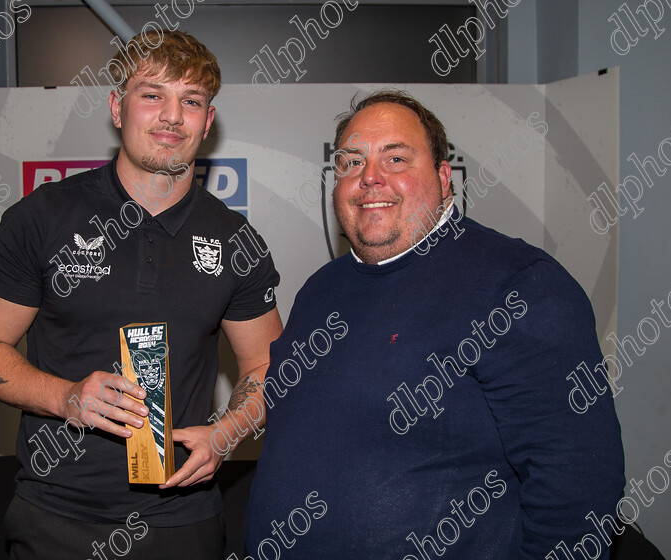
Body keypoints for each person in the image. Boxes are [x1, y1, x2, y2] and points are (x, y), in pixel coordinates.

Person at [244, 91, 624, 559]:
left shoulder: (518, 286)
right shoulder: (320, 289)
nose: (370, 179)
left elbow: (576, 488)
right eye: (350, 163)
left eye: (397, 158)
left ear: (445, 179)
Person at [0, 30, 282, 560]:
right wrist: (65, 399)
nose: (172, 116)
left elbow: (266, 365)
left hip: (183, 516)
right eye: (152, 94)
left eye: (191, 101)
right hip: (55, 513)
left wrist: (227, 432)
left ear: (208, 121)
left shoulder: (235, 240)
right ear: (116, 107)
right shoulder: (43, 217)